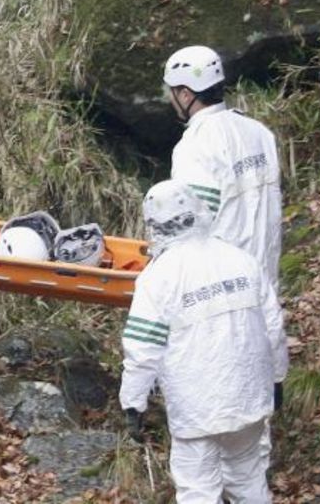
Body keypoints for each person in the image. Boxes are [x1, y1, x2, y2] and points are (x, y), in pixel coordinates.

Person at [120, 180, 288, 503]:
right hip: (249, 398)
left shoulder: (158, 277)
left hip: (197, 408)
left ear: (153, 225)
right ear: (198, 211)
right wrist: (277, 379)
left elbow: (142, 350)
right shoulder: (241, 259)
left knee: (198, 490)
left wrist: (133, 403)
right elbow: (273, 328)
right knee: (249, 481)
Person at [163, 44, 285, 466]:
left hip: (219, 272)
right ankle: (257, 472)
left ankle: (220, 474)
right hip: (263, 269)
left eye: (171, 92)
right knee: (257, 364)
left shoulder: (194, 147)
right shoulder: (259, 133)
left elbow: (193, 218)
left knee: (216, 371)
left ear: (184, 93)